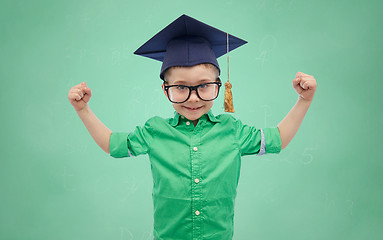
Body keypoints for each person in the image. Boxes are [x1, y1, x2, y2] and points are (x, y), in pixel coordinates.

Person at [67, 14, 317, 240]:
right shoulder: (154, 131)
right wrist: (83, 110)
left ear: (220, 85)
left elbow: (278, 139)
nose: (194, 98)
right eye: (180, 87)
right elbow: (113, 145)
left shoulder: (232, 130)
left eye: (204, 86)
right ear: (166, 90)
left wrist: (303, 100)